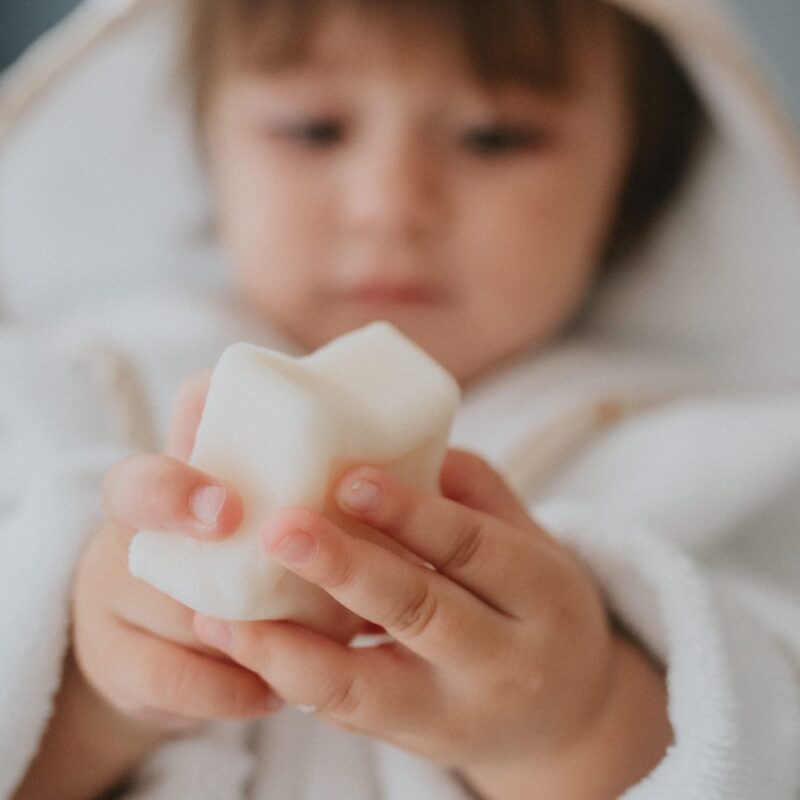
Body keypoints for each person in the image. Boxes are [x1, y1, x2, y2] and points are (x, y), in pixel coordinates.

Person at [4, 0, 800, 799]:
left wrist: (575, 729)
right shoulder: (82, 392)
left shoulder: (709, 456)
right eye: (314, 129)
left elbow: (772, 741)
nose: (390, 205)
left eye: (494, 138)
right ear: (207, 148)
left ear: (630, 186)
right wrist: (88, 687)